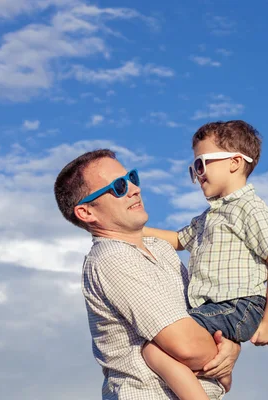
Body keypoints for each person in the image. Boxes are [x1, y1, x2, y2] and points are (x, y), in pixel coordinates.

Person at [53, 149, 241, 400]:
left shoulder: (160, 248)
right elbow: (188, 347)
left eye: (132, 177)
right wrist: (223, 348)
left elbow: (205, 316)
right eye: (119, 186)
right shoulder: (112, 258)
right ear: (87, 212)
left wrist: (231, 345)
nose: (134, 189)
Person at [142, 120, 268, 400]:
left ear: (235, 162)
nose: (197, 174)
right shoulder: (209, 217)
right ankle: (221, 371)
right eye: (193, 168)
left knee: (158, 345)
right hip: (213, 307)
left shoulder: (252, 209)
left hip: (240, 304)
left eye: (201, 164)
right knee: (170, 341)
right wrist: (135, 231)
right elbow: (177, 240)